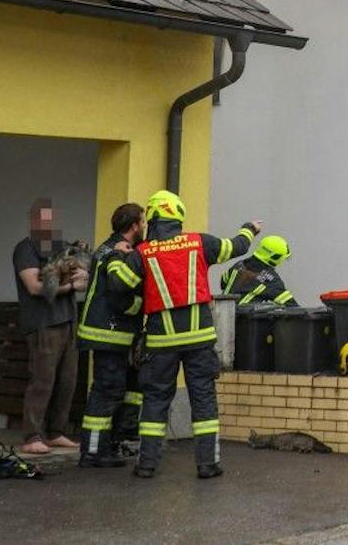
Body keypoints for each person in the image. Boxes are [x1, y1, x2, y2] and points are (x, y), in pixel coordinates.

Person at [108, 190, 259, 479]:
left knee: (154, 401)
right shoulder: (199, 243)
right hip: (199, 340)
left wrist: (117, 256)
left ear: (152, 217)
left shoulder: (144, 252)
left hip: (161, 342)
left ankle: (147, 465)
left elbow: (119, 283)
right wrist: (249, 229)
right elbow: (236, 246)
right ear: (178, 215)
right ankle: (207, 465)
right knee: (203, 399)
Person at [13, 199, 88, 457]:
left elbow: (82, 272)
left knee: (68, 379)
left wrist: (79, 277)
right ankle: (32, 435)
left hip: (68, 320)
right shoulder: (26, 249)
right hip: (43, 323)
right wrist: (70, 285)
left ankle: (57, 432)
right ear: (34, 222)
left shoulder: (63, 248)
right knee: (42, 379)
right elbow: (35, 287)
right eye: (44, 220)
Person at [76, 202, 146, 468]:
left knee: (116, 389)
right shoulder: (121, 252)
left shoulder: (108, 247)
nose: (145, 226)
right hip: (110, 332)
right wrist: (141, 308)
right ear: (133, 226)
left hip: (107, 332)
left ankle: (108, 444)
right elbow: (118, 295)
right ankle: (94, 451)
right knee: (107, 391)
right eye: (143, 222)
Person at [219, 235, 296, 306]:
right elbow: (291, 305)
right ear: (275, 258)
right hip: (242, 319)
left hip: (220, 312)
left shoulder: (239, 264)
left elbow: (223, 282)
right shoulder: (271, 280)